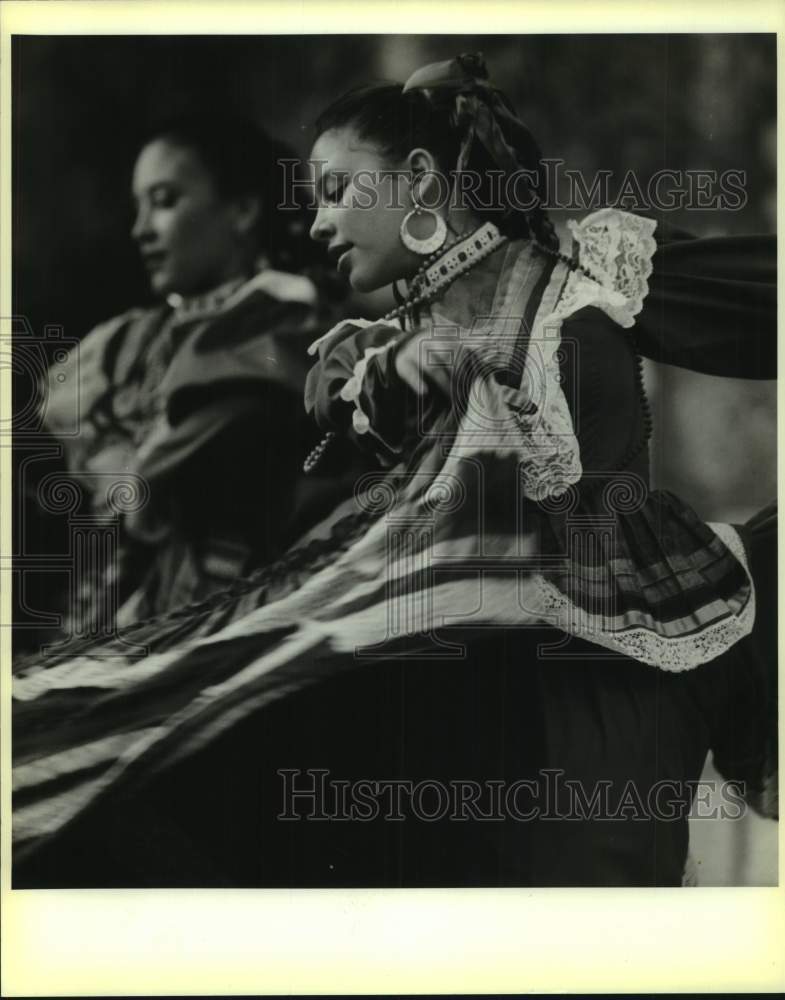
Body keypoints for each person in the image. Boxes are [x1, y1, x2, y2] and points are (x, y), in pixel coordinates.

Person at [13, 55, 776, 887]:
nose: (316, 223)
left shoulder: (576, 276)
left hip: (608, 676)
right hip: (475, 698)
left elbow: (749, 305)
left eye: (337, 191)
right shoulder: (380, 355)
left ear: (417, 180)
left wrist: (429, 374)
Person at [38, 113, 340, 636]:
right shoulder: (128, 338)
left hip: (233, 622)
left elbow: (156, 478)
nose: (140, 230)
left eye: (164, 202)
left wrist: (119, 461)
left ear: (242, 210)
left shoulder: (288, 324)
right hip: (105, 618)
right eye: (139, 207)